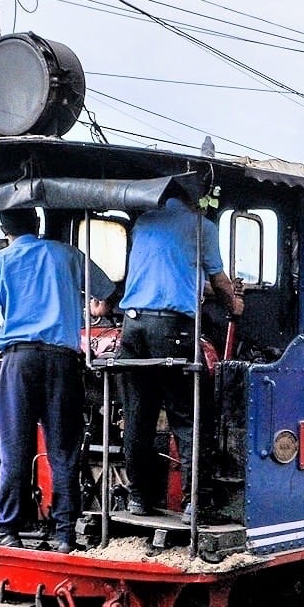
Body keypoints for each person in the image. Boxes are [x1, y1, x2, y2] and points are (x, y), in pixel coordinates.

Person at [118, 196, 242, 522]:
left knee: (137, 417)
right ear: (198, 198)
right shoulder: (202, 227)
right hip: (172, 327)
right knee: (189, 416)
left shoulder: (143, 222)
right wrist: (234, 305)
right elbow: (219, 281)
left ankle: (138, 499)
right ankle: (195, 504)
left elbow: (169, 270)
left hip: (132, 327)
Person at [0, 209, 86, 553]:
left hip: (19, 360)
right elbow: (106, 290)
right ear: (36, 224)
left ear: (4, 229)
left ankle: (7, 528)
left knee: (15, 450)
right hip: (63, 360)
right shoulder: (68, 255)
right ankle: (65, 535)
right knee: (63, 451)